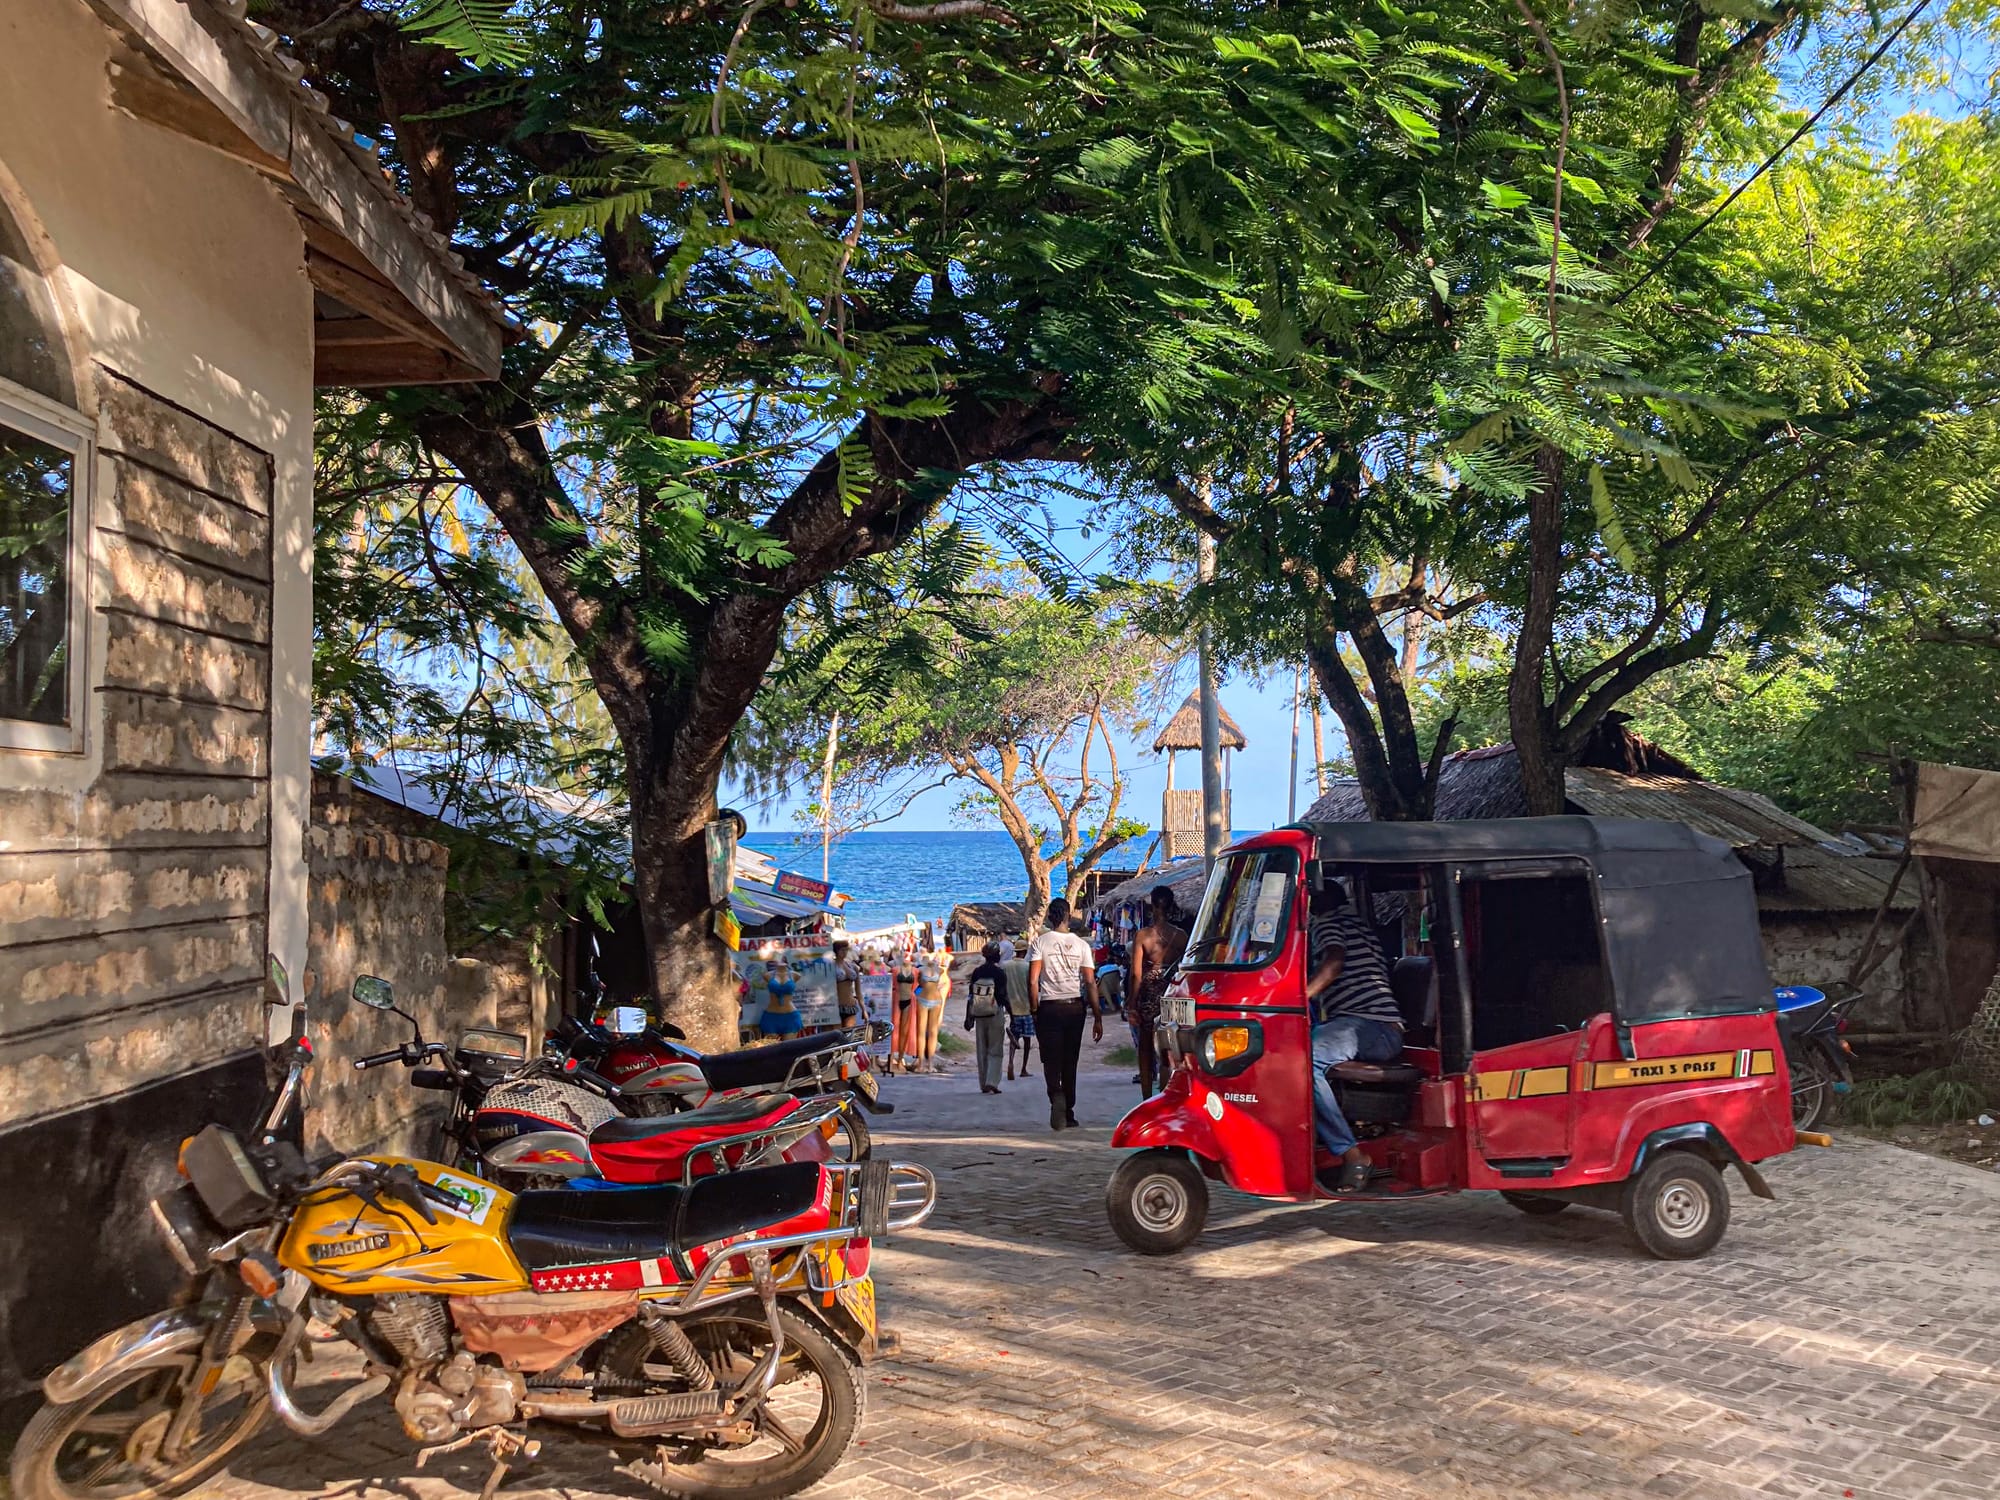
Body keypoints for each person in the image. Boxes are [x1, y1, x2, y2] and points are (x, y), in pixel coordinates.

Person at [1307, 886, 1404, 1192]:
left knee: (1303, 1058)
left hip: (1371, 1027)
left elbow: (1333, 963)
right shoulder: (1358, 923)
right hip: (1379, 1027)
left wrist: (1301, 994)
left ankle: (1352, 1154)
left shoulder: (1328, 922)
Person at [1028, 899, 1101, 1132]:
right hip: (1074, 1007)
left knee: (1051, 1060)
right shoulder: (1081, 945)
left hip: (1050, 1007)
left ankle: (1056, 1096)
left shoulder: (1040, 942)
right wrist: (1098, 1015)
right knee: (1070, 1061)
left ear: (1050, 916)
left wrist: (1034, 1010)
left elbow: (1032, 981)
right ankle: (1068, 1111)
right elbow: (1089, 982)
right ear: (1068, 916)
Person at [1126, 885, 1189, 1097]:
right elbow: (1185, 969)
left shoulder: (1143, 936)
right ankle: (1164, 1095)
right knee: (1167, 1049)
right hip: (1172, 995)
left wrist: (1131, 1003)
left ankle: (1146, 1098)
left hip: (1149, 995)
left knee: (1145, 1050)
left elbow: (1135, 974)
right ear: (1171, 906)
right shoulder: (1181, 936)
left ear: (1152, 906)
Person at [963, 942, 1009, 1094]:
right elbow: (1003, 995)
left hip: (979, 1014)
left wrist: (968, 1017)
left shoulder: (977, 972)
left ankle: (983, 1083)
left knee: (981, 1049)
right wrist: (1012, 1014)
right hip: (995, 1014)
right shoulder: (1000, 973)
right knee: (995, 1049)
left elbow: (971, 996)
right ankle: (992, 1082)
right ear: (996, 955)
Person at [917, 949, 949, 1072]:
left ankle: (930, 1063)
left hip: (936, 1001)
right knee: (921, 1031)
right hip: (923, 1000)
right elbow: (918, 985)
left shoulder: (940, 970)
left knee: (933, 1032)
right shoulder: (920, 969)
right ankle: (920, 1063)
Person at [891, 952, 921, 1072]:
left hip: (909, 998)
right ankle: (892, 1058)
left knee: (904, 1030)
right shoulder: (895, 969)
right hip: (897, 998)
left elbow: (915, 985)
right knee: (894, 1029)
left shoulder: (915, 971)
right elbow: (893, 983)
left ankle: (900, 1059)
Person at [760, 956, 803, 1038]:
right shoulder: (768, 975)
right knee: (771, 1049)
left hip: (790, 1017)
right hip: (771, 1017)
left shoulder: (795, 975)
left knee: (789, 1048)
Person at [832, 940, 860, 1028]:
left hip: (850, 1005)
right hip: (836, 1006)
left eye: (846, 950)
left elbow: (858, 990)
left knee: (849, 1035)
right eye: (842, 950)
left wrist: (864, 1009)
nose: (844, 952)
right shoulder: (830, 966)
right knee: (837, 1036)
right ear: (836, 950)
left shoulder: (852, 966)